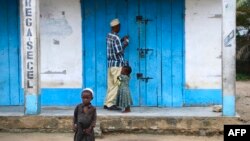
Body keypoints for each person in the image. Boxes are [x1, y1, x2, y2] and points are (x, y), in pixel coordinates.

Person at [104, 18, 129, 110]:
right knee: (116, 84)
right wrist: (126, 43)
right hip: (117, 65)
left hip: (110, 64)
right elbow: (119, 51)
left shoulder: (109, 36)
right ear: (116, 26)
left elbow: (114, 45)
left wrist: (121, 40)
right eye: (119, 26)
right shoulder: (116, 37)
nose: (120, 28)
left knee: (110, 84)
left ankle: (107, 103)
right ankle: (111, 104)